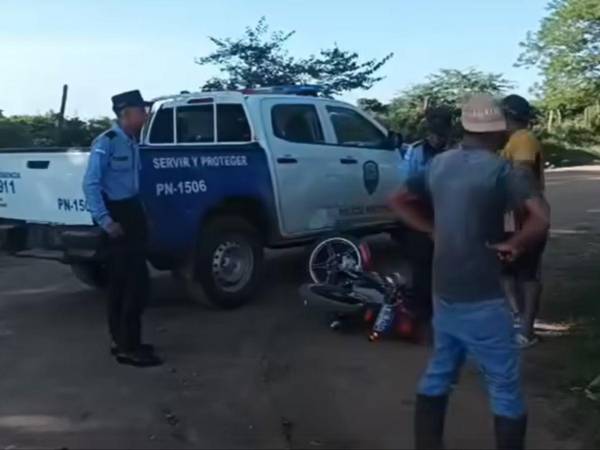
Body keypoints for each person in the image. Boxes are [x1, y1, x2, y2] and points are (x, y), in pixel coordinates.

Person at [390, 94, 550, 450]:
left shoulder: (437, 165)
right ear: (496, 132)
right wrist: (516, 244)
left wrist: (431, 230)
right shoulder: (503, 170)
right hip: (484, 296)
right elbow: (540, 218)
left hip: (443, 290)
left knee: (440, 371)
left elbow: (397, 200)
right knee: (504, 386)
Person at [82, 90, 162, 368]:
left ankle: (125, 342)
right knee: (132, 285)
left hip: (132, 213)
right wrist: (105, 220)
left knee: (124, 284)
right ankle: (129, 347)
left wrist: (144, 214)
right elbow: (91, 184)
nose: (145, 115)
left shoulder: (131, 141)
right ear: (126, 114)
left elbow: (133, 185)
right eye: (142, 111)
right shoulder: (107, 142)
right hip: (117, 218)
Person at [500, 94, 547, 348]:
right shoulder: (512, 141)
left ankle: (526, 329)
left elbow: (523, 176)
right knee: (507, 269)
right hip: (512, 214)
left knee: (526, 271)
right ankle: (518, 320)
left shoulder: (523, 139)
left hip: (522, 213)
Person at [401, 107, 453, 322]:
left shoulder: (456, 152)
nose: (437, 138)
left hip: (448, 211)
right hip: (421, 211)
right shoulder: (416, 152)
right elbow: (405, 181)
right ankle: (423, 312)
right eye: (434, 133)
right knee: (421, 264)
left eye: (441, 134)